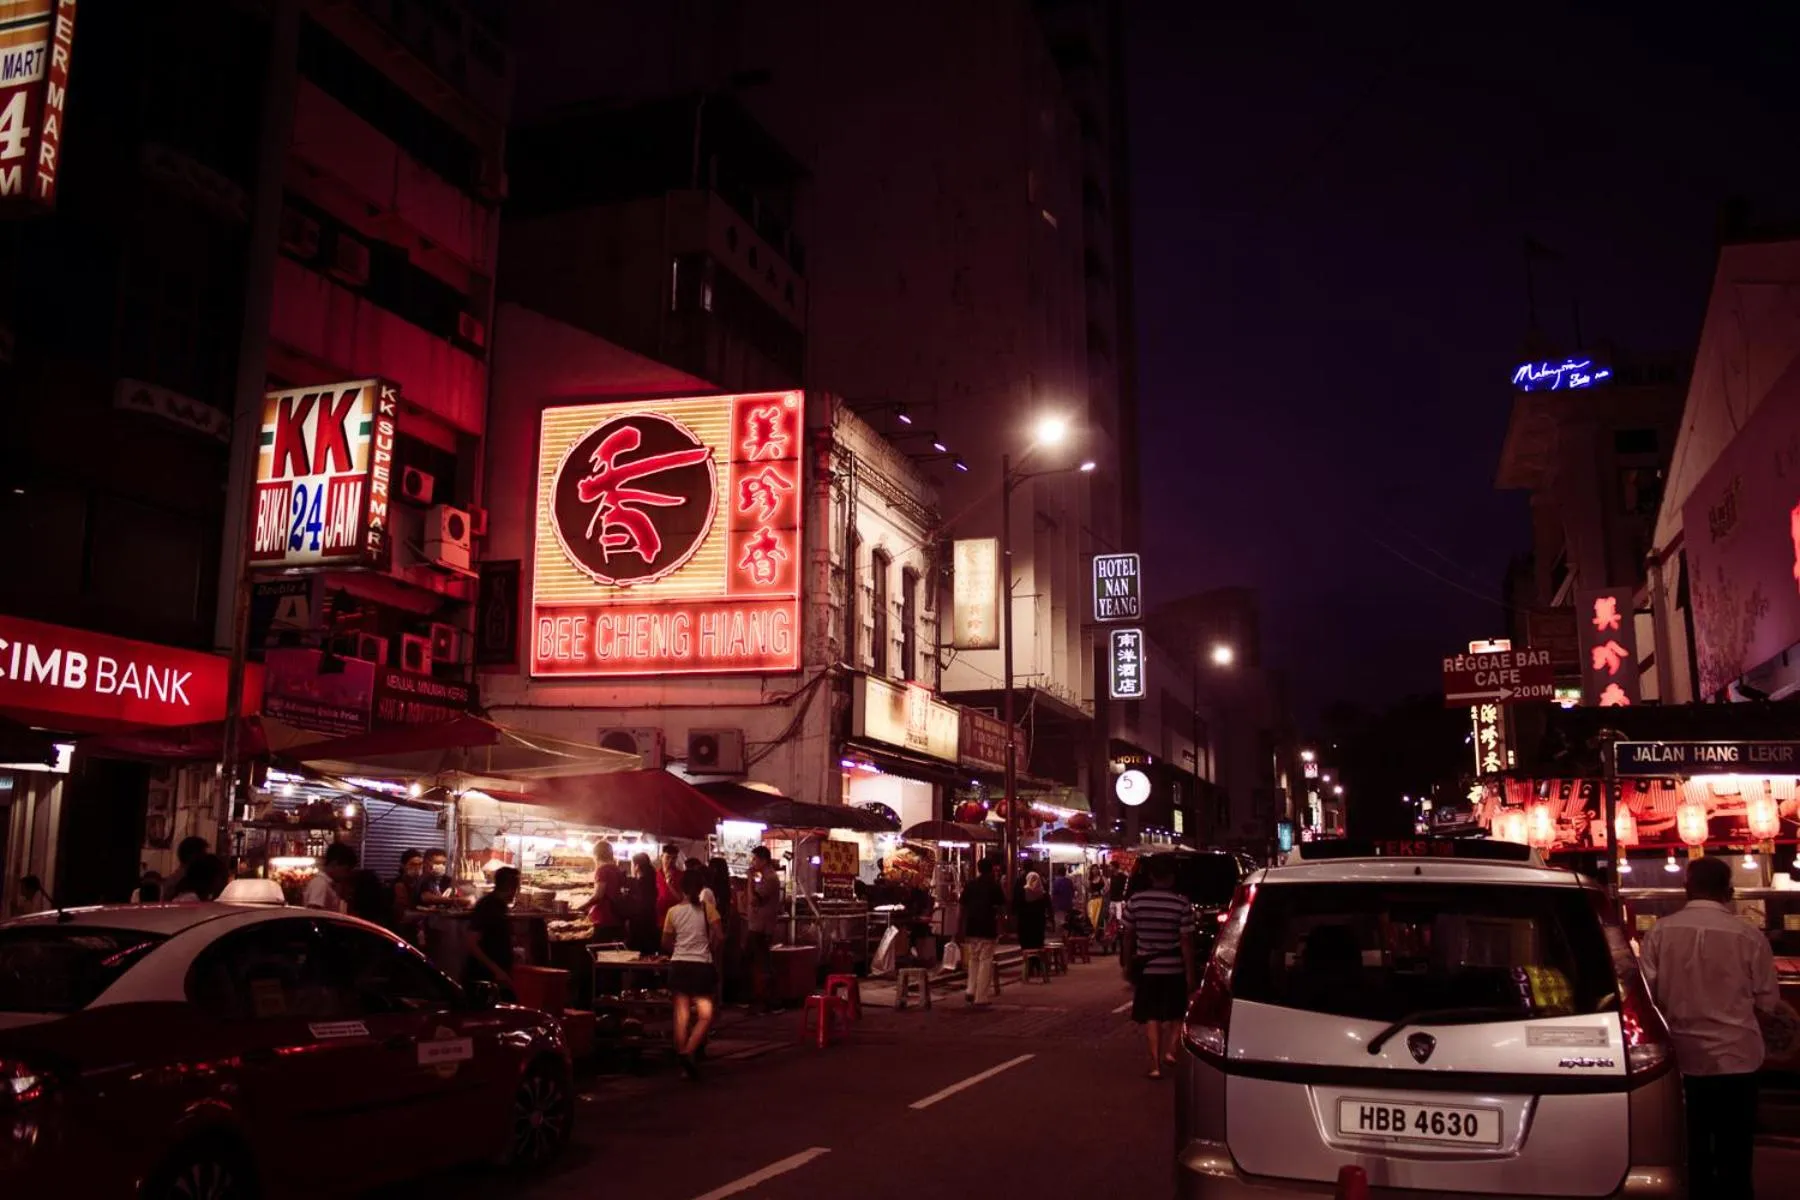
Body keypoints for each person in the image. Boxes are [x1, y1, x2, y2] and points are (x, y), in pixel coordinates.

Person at [1640, 855, 1781, 1197]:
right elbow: (1767, 1002)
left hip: (1683, 1060)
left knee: (1692, 1150)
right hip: (1738, 1057)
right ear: (1729, 892)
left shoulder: (1660, 932)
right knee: (1736, 1153)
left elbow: (1647, 998)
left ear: (1686, 888)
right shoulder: (1749, 935)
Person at [1121, 855, 1196, 1079]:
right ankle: (1171, 1051)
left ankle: (1154, 1065)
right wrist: (1190, 973)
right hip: (1174, 968)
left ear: (1151, 876)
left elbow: (1128, 936)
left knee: (1151, 1016)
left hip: (1148, 969)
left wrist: (1127, 964)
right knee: (1177, 1013)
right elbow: (1186, 942)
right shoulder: (1181, 903)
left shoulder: (1135, 901)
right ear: (1171, 877)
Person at [662, 864, 723, 1080]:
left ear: (682, 888)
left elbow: (665, 942)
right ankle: (688, 1051)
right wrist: (709, 947)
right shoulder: (708, 909)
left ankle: (683, 1062)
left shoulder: (673, 912)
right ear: (700, 888)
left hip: (679, 965)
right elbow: (720, 936)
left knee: (681, 1015)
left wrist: (679, 949)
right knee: (705, 1015)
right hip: (701, 966)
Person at [959, 855, 1008, 1006]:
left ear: (979, 869)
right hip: (987, 927)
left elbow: (962, 907)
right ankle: (981, 997)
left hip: (972, 927)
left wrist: (960, 927)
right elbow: (1001, 908)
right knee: (985, 961)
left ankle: (970, 990)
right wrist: (1002, 926)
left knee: (973, 959)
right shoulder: (994, 886)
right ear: (991, 870)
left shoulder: (970, 885)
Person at [466, 866, 520, 999]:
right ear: (511, 887)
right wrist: (496, 970)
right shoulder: (488, 906)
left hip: (497, 974)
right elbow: (471, 943)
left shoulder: (501, 906)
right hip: (484, 977)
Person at [744, 846, 783, 1010]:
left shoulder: (770, 879)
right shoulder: (766, 878)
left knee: (762, 964)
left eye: (755, 859)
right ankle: (761, 999)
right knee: (757, 963)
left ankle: (768, 1001)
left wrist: (749, 880)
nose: (753, 862)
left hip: (761, 927)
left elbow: (754, 900)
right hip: (757, 925)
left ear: (764, 860)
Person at [581, 840, 627, 943]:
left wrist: (582, 907)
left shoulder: (602, 870)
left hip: (603, 918)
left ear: (596, 855)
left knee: (600, 948)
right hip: (616, 917)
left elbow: (598, 896)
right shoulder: (616, 869)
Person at [304, 842, 358, 911]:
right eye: (346, 870)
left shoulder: (328, 885)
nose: (347, 875)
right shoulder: (320, 884)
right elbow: (314, 913)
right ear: (334, 864)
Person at [626, 853, 662, 956]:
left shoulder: (638, 884)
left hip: (639, 925)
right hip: (651, 922)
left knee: (637, 955)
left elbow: (634, 905)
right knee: (649, 956)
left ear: (636, 866)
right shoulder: (652, 881)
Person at [1014, 871, 1051, 953]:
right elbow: (1048, 908)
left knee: (1026, 947)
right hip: (1038, 924)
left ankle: (1027, 960)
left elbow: (1017, 907)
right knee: (1037, 947)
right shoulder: (1043, 894)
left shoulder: (1022, 892)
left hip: (1025, 924)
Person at [1050, 868, 1076, 934]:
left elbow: (1054, 893)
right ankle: (1066, 934)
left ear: (1058, 873)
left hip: (1059, 904)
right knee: (1066, 919)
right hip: (1068, 904)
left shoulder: (1056, 882)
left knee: (1060, 921)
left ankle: (1061, 934)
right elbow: (1072, 892)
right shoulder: (1069, 881)